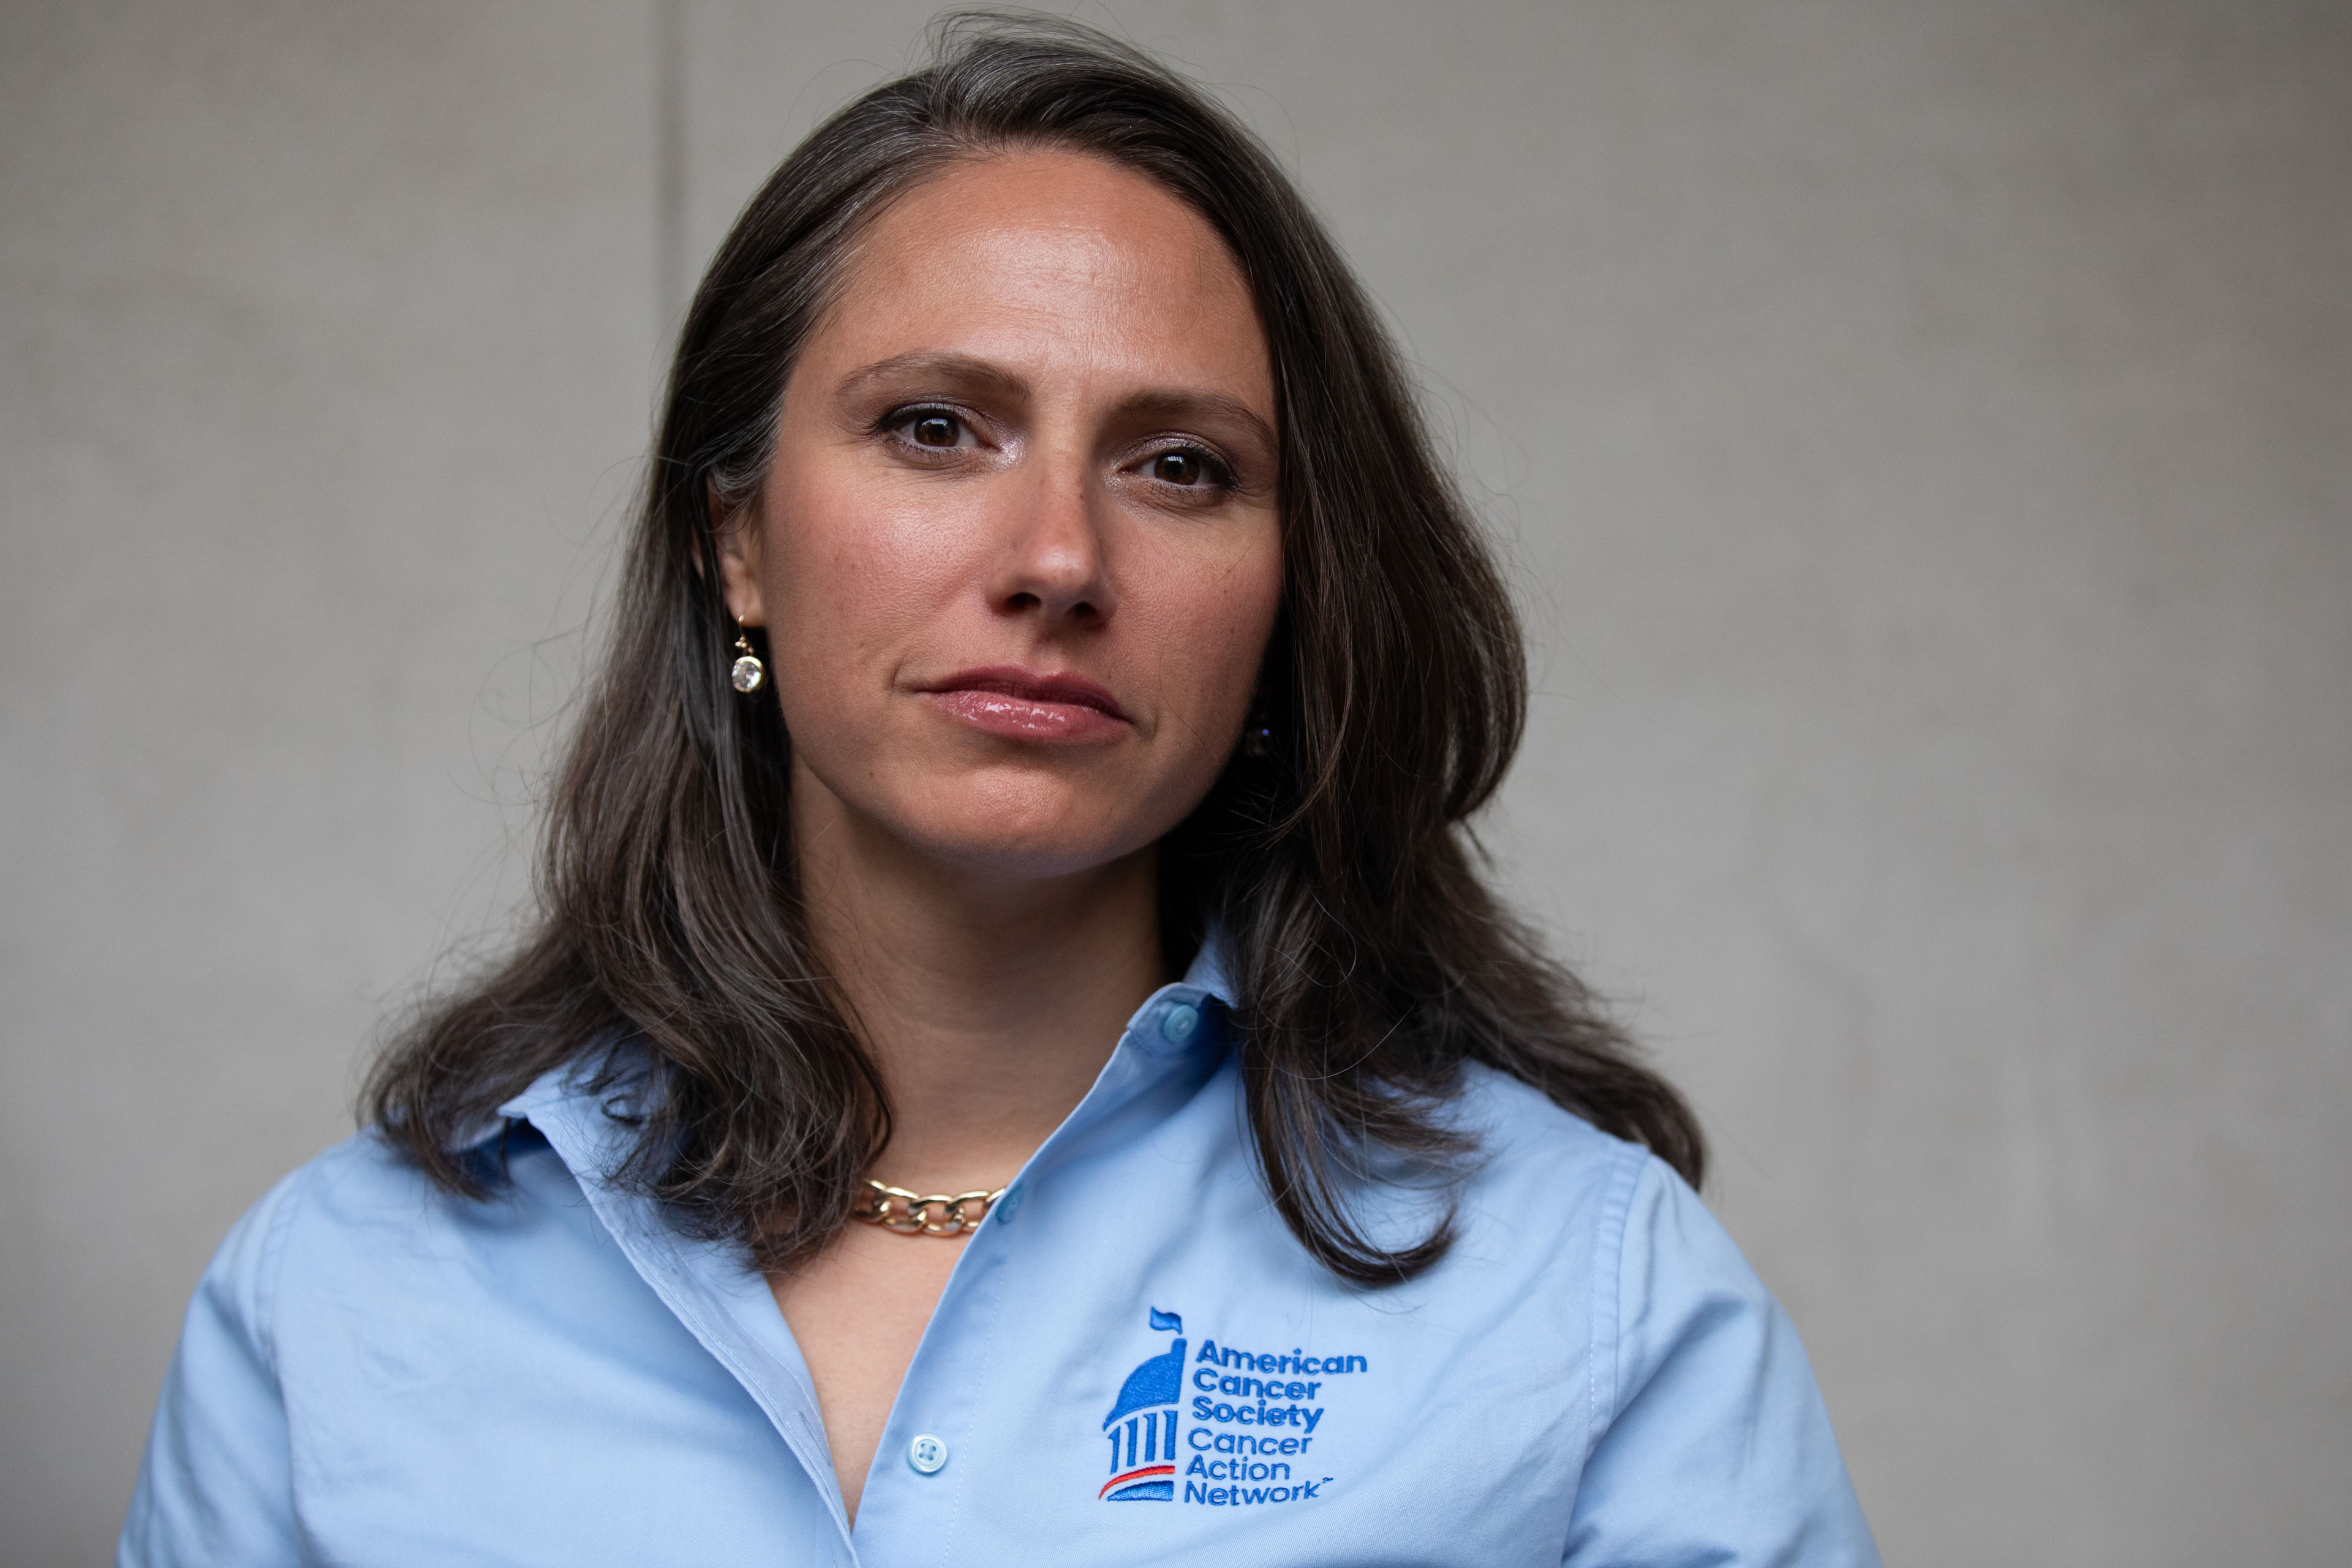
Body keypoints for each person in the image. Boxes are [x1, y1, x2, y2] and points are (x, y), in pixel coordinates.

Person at [120, 16, 1878, 1566]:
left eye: (1181, 467)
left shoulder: (1589, 1299)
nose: (1056, 557)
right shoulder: (335, 1306)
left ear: (1290, 593)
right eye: (936, 429)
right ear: (735, 540)